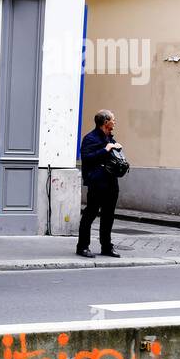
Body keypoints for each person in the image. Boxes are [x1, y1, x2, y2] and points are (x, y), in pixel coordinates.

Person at [77, 109, 123, 258]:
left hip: (111, 183)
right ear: (105, 122)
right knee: (90, 214)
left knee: (108, 216)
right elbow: (87, 158)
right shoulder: (90, 138)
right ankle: (83, 246)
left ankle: (106, 247)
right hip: (97, 183)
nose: (115, 122)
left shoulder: (110, 138)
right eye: (113, 119)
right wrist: (106, 150)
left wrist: (117, 150)